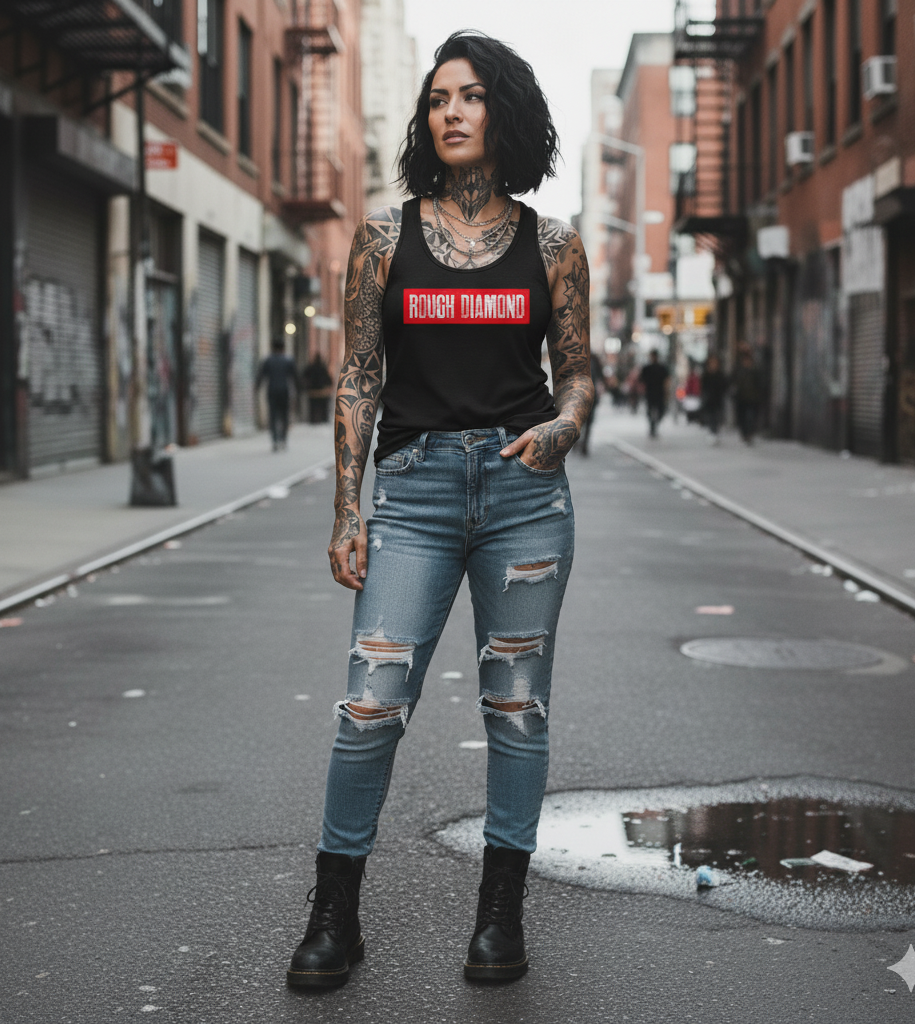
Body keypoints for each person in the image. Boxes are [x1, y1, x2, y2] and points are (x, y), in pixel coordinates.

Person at [287, 30, 594, 990]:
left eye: (470, 96)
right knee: (370, 706)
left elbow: (577, 373)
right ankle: (335, 915)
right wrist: (347, 511)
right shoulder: (384, 238)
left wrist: (566, 425)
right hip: (414, 494)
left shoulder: (554, 244)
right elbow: (359, 376)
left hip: (524, 495)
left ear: (506, 111)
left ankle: (500, 916)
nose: (450, 112)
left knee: (516, 708)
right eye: (436, 99)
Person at [255, 338, 298, 450]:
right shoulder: (288, 360)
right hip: (284, 391)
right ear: (283, 348)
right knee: (284, 416)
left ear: (272, 348)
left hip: (272, 391)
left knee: (273, 416)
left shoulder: (268, 361)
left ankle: (275, 441)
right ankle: (283, 439)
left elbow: (261, 376)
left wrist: (256, 388)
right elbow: (295, 377)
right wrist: (299, 390)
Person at [732, 346, 761, 444]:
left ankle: (749, 434)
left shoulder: (755, 370)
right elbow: (732, 381)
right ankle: (745, 434)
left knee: (751, 417)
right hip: (741, 399)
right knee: (742, 418)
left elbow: (760, 383)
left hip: (753, 398)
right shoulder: (738, 370)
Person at [639, 349, 669, 437]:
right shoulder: (647, 368)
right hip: (650, 393)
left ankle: (655, 425)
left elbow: (666, 380)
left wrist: (666, 392)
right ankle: (652, 426)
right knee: (649, 411)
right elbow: (642, 380)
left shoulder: (662, 368)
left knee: (661, 411)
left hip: (659, 392)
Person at [579, 351, 604, 456]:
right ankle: (584, 443)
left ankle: (579, 442)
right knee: (588, 422)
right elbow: (601, 380)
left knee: (580, 421)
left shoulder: (580, 361)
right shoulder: (595, 362)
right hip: (592, 396)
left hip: (581, 396)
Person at [700, 352, 728, 444]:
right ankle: (712, 432)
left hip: (718, 399)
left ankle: (715, 432)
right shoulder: (706, 374)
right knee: (710, 416)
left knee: (717, 416)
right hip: (709, 400)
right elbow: (703, 386)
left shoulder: (720, 374)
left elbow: (724, 386)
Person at [303, 352, 333, 423]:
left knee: (312, 407)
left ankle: (312, 419)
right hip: (322, 392)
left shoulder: (310, 368)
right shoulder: (323, 368)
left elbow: (304, 377)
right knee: (323, 407)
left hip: (312, 391)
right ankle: (323, 418)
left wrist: (306, 386)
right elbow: (329, 380)